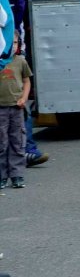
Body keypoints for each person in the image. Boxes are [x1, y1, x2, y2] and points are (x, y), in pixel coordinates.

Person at [0, 0, 48, 168]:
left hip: (14, 54)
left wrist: (17, 49)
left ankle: (26, 149)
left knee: (20, 102)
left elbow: (18, 23)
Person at [0, 33, 31, 188]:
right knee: (1, 143)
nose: (12, 45)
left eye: (15, 42)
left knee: (17, 141)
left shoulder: (20, 62)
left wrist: (24, 98)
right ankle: (2, 175)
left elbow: (26, 81)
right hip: (1, 109)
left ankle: (17, 175)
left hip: (16, 107)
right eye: (8, 42)